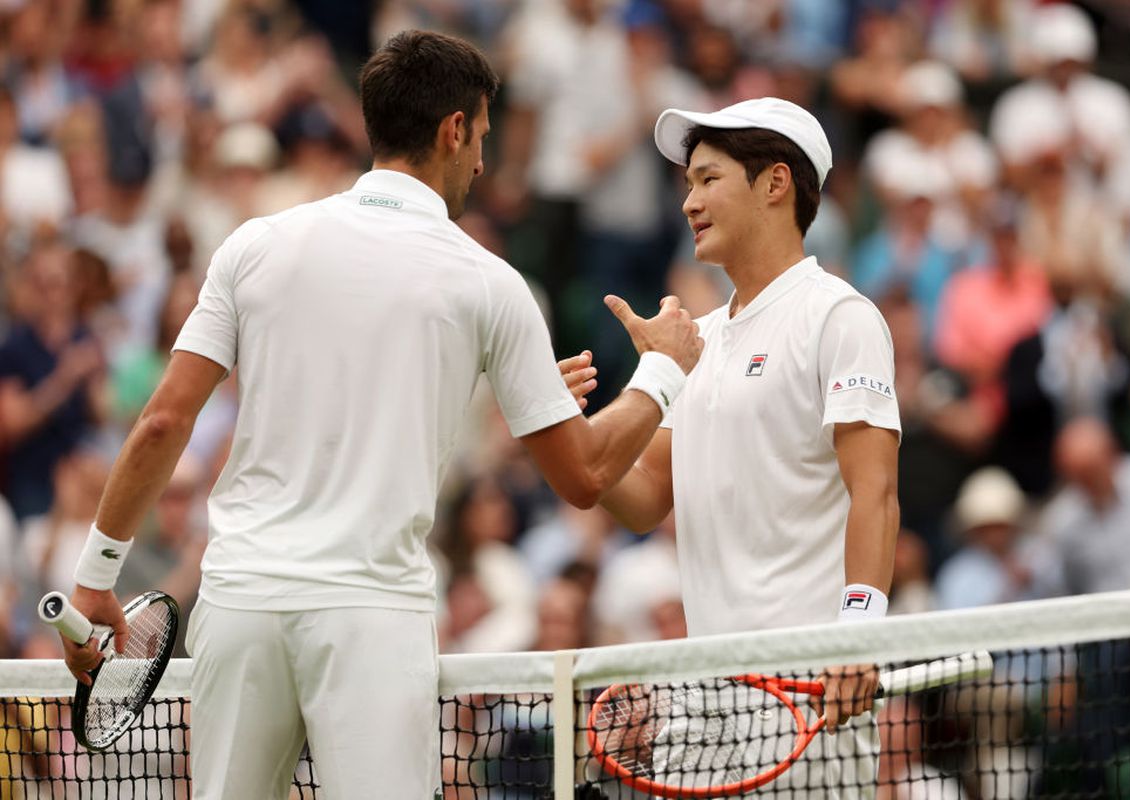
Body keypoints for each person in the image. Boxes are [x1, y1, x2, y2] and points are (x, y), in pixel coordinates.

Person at [56, 30, 703, 800]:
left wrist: (96, 577)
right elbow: (587, 475)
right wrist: (664, 370)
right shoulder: (491, 284)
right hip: (370, 618)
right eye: (482, 137)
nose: (483, 163)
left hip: (242, 605)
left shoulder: (253, 245)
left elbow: (163, 421)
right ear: (454, 130)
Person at [567, 97, 901, 796]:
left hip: (810, 685)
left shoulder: (840, 316)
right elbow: (642, 500)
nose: (689, 202)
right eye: (688, 183)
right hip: (702, 692)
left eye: (708, 179)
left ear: (775, 184)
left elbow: (875, 490)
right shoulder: (697, 342)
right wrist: (562, 424)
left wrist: (858, 636)